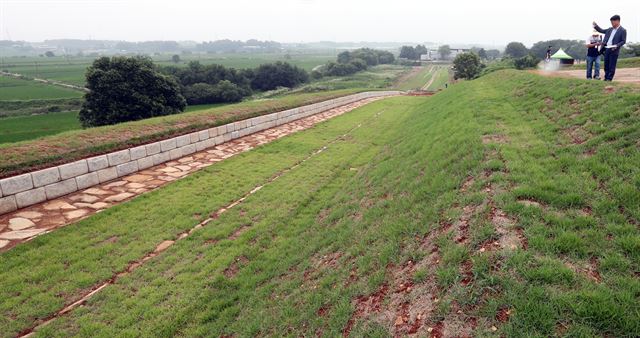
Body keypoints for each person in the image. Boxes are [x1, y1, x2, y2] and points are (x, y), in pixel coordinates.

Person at [593, 15, 627, 81]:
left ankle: (609, 78)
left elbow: (623, 41)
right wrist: (595, 26)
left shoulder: (623, 30)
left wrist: (617, 45)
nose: (612, 23)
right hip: (606, 48)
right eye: (611, 22)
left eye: (613, 22)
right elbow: (602, 30)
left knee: (612, 65)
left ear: (617, 21)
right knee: (606, 65)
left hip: (614, 49)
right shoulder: (610, 29)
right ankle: (606, 77)